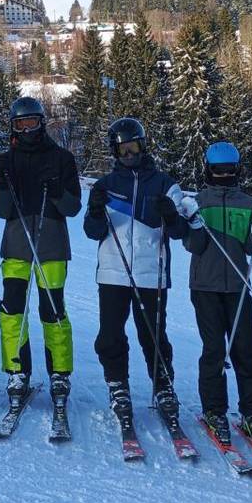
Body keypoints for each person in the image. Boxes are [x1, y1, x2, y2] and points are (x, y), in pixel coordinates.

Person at [82, 117, 188, 420]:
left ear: (143, 146)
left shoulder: (166, 185)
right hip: (113, 273)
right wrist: (95, 210)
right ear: (115, 152)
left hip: (150, 273)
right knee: (110, 334)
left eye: (134, 147)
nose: (130, 155)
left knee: (153, 334)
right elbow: (92, 231)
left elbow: (180, 232)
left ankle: (163, 384)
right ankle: (118, 384)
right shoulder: (105, 186)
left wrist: (171, 216)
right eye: (123, 150)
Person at [179, 141, 252, 448]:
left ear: (237, 169)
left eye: (228, 169)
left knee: (246, 350)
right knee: (214, 350)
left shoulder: (247, 204)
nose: (223, 174)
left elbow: (251, 248)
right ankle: (214, 410)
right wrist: (193, 223)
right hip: (205, 287)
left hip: (236, 287)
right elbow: (194, 247)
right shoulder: (199, 202)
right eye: (218, 169)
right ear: (208, 168)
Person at [0, 96, 81, 406]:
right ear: (13, 127)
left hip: (52, 244)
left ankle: (59, 372)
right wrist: (2, 181)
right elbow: (2, 210)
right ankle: (17, 370)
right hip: (16, 243)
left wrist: (57, 190)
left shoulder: (62, 158)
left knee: (52, 309)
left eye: (32, 122)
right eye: (21, 124)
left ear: (42, 123)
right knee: (12, 309)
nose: (27, 129)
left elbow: (72, 208)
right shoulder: (7, 159)